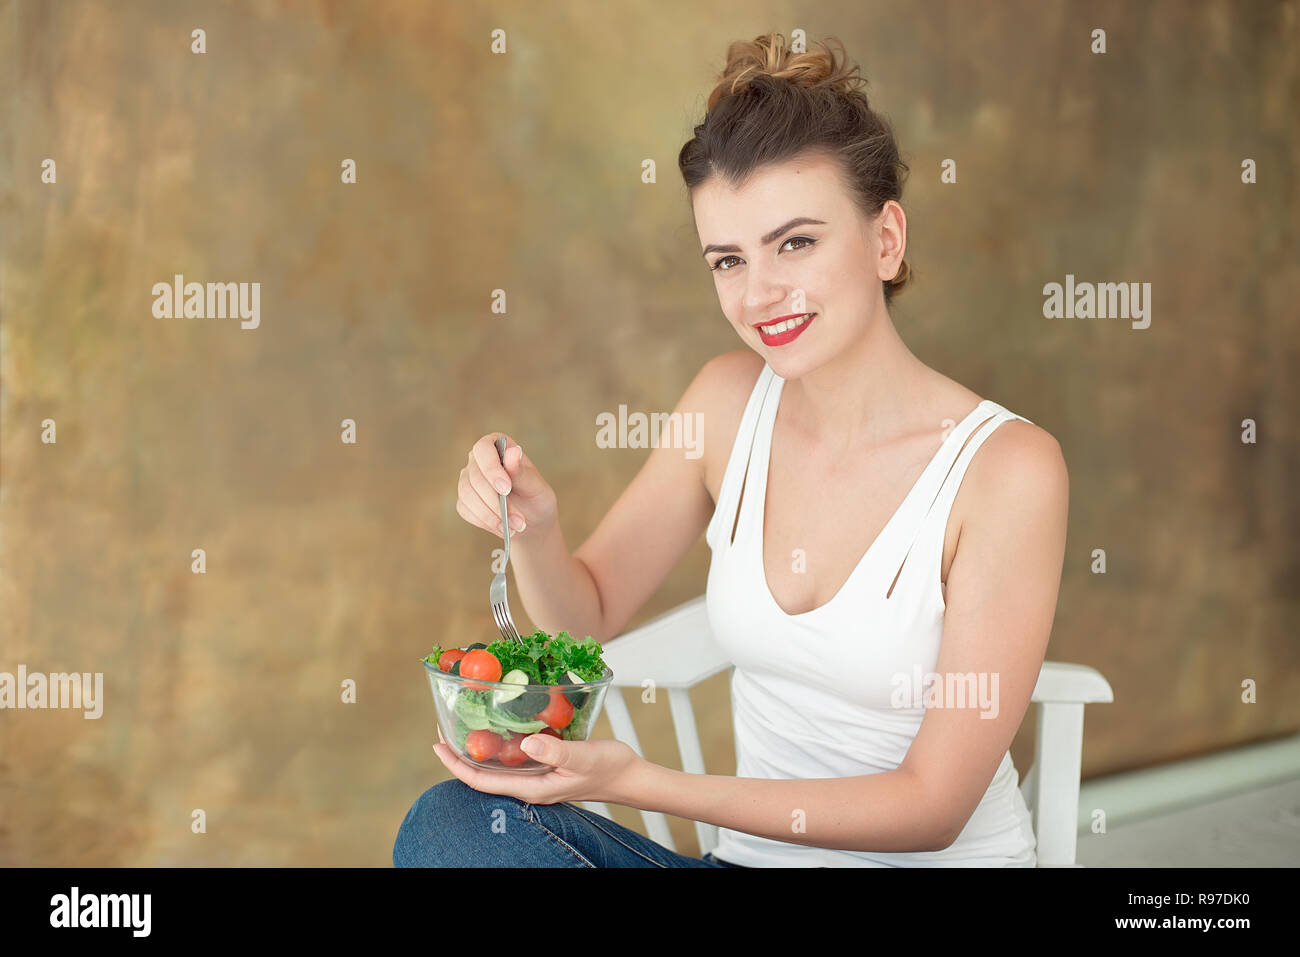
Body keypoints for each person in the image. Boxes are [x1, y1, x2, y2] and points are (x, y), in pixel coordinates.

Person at [394, 31, 1068, 867]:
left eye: (797, 243)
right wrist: (533, 525)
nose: (759, 294)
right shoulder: (725, 401)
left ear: (886, 239)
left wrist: (636, 780)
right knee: (448, 825)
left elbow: (931, 806)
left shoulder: (1008, 470)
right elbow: (590, 609)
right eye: (728, 259)